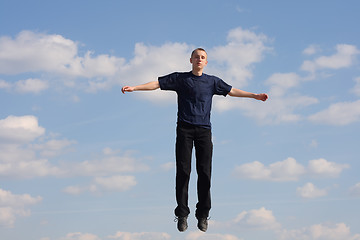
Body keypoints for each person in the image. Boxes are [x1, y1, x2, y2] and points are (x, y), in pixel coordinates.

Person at [121, 48, 268, 232]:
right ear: (190, 59)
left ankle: (203, 215)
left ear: (206, 62)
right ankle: (182, 214)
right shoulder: (181, 79)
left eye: (203, 57)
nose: (199, 59)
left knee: (204, 172)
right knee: (183, 171)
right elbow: (157, 84)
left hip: (204, 131)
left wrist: (254, 96)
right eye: (197, 57)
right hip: (184, 130)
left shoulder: (212, 82)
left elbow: (232, 91)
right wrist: (135, 87)